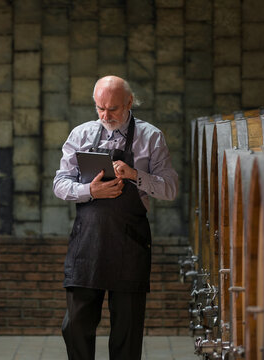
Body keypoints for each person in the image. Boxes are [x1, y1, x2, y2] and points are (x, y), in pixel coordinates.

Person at [53, 75, 178, 360]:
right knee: (75, 325)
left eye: (113, 109)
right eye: (100, 108)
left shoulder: (151, 137)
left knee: (127, 332)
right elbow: (59, 184)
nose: (106, 115)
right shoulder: (81, 134)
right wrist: (91, 190)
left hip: (130, 242)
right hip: (88, 243)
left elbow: (170, 188)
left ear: (130, 103)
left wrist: (135, 175)